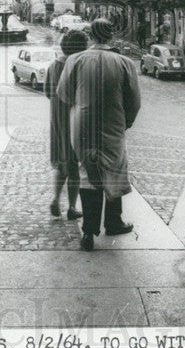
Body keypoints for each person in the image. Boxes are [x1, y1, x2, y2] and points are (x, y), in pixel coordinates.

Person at [57, 17, 141, 251]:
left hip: (83, 124)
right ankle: (114, 222)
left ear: (91, 35)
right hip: (114, 123)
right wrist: (126, 122)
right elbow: (134, 100)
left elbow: (63, 94)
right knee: (114, 168)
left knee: (88, 171)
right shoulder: (125, 63)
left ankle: (88, 232)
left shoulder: (75, 60)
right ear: (111, 35)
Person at [46, 29, 88, 220]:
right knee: (74, 166)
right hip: (73, 117)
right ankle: (71, 207)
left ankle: (55, 199)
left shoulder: (53, 65)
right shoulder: (77, 66)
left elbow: (47, 92)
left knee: (61, 163)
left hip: (56, 118)